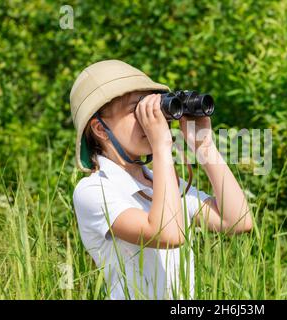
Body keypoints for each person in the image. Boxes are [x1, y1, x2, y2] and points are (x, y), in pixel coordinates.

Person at [70, 60, 253, 299]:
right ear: (100, 129)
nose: (151, 118)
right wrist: (161, 146)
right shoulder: (94, 190)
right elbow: (168, 235)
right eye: (137, 110)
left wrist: (204, 146)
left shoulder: (161, 184)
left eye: (153, 106)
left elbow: (237, 221)